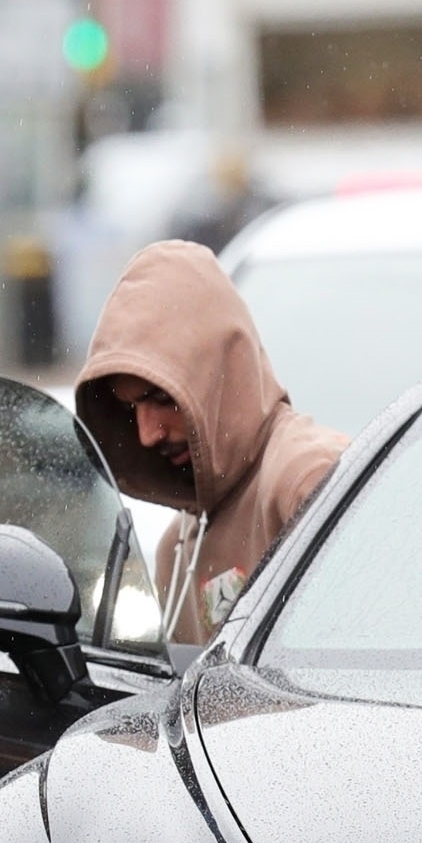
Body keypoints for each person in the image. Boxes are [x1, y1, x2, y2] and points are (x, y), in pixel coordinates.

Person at [75, 240, 347, 644]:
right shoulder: (176, 544)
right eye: (130, 410)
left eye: (165, 399)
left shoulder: (307, 481)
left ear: (220, 378)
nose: (148, 435)